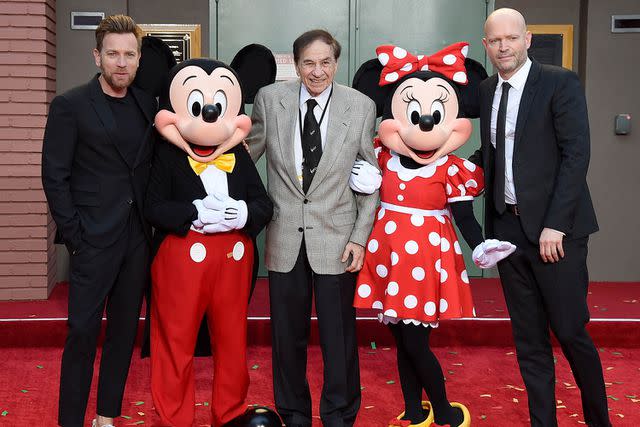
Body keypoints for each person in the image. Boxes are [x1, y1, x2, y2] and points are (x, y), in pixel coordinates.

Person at [470, 8, 611, 427]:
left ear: (527, 39)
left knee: (569, 331)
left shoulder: (558, 82)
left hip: (556, 232)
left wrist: (556, 225)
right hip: (508, 229)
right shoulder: (485, 90)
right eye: (495, 40)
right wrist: (447, 173)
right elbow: (491, 157)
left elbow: (575, 156)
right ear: (486, 45)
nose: (503, 46)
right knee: (528, 341)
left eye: (511, 38)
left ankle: (599, 421)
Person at [246, 29, 379, 427]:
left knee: (339, 340)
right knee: (287, 339)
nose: (317, 71)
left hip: (338, 241)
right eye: (308, 62)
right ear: (296, 63)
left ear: (336, 63)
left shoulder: (360, 106)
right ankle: (294, 414)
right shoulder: (271, 101)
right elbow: (244, 157)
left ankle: (339, 415)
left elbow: (370, 179)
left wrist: (360, 236)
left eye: (325, 62)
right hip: (285, 236)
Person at [41, 15, 156, 427]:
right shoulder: (70, 105)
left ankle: (106, 415)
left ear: (139, 59)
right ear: (97, 55)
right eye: (113, 54)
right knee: (82, 336)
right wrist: (75, 236)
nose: (121, 63)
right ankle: (70, 420)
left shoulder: (148, 106)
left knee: (124, 336)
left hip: (137, 241)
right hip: (91, 240)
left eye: (129, 54)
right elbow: (55, 175)